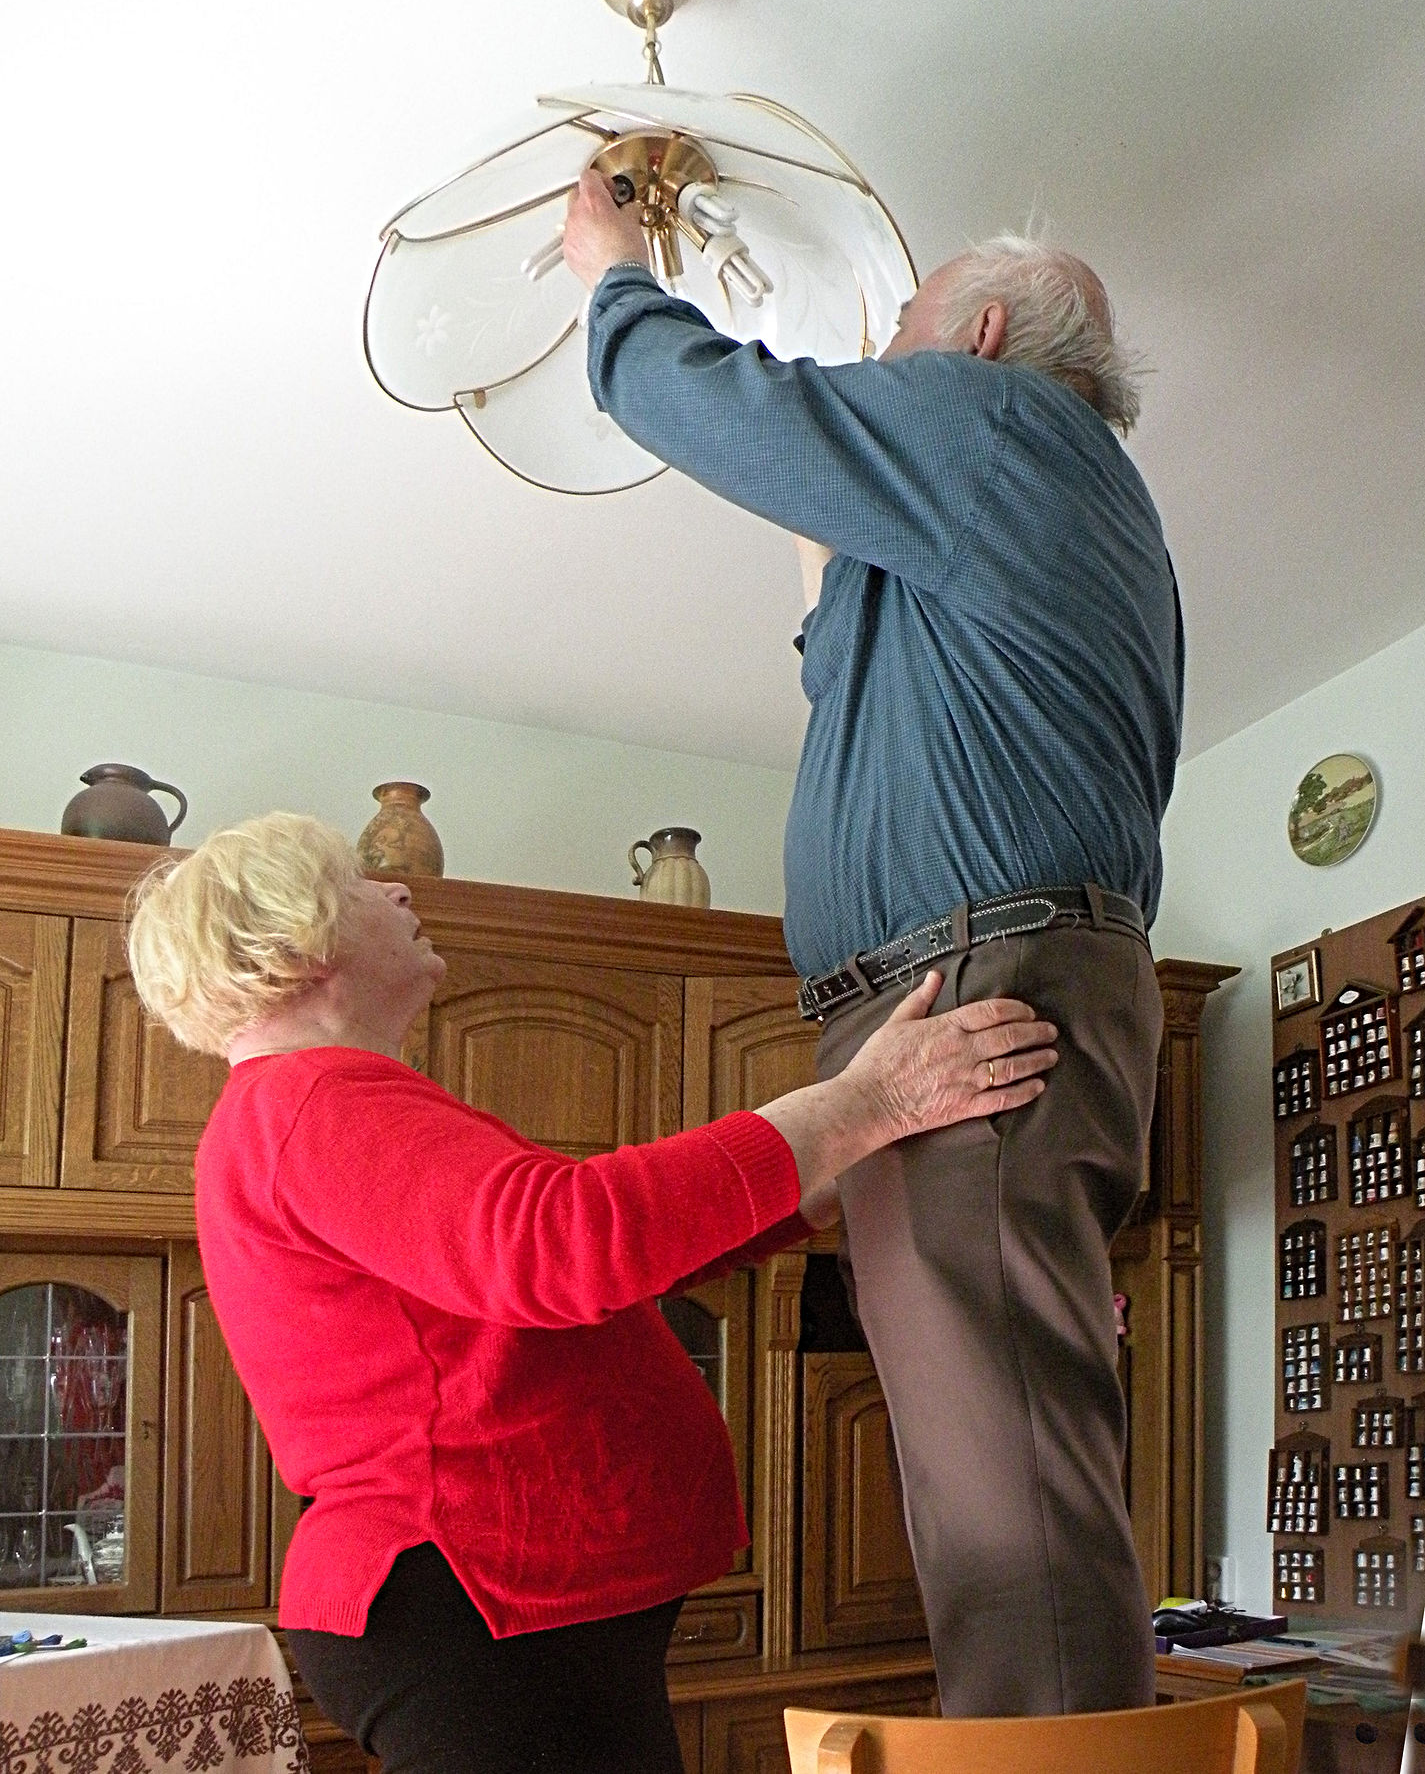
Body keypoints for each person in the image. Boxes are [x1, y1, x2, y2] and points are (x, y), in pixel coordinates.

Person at [561, 171, 1184, 1717]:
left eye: (899, 329)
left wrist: (617, 278)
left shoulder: (994, 425)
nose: (880, 358)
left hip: (973, 978)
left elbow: (713, 407)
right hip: (981, 972)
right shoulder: (1015, 508)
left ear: (979, 337)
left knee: (1003, 1484)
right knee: (998, 1465)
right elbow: (829, 588)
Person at [126, 811, 1058, 1774]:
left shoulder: (308, 1104)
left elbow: (561, 1278)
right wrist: (862, 1104)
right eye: (358, 886)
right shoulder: (314, 1101)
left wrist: (806, 1189)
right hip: (478, 1603)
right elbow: (562, 1241)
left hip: (500, 1608)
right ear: (294, 938)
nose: (396, 890)